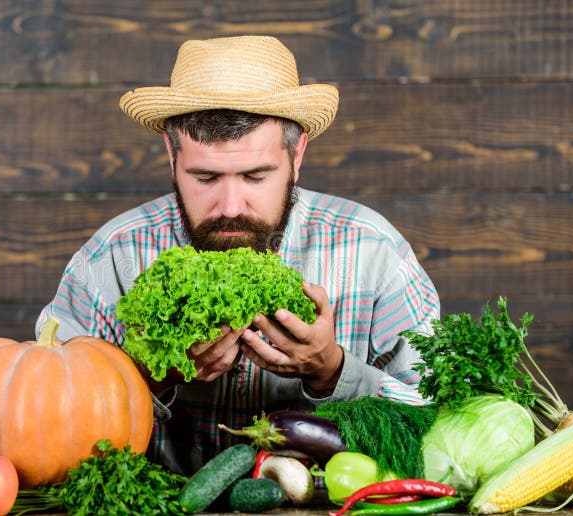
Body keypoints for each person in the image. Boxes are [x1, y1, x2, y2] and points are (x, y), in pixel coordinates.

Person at [36, 35, 439, 475]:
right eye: (205, 177)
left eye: (255, 176)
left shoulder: (375, 254)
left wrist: (333, 371)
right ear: (172, 154)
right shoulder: (109, 262)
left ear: (297, 153)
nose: (230, 206)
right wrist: (151, 377)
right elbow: (44, 428)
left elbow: (443, 425)